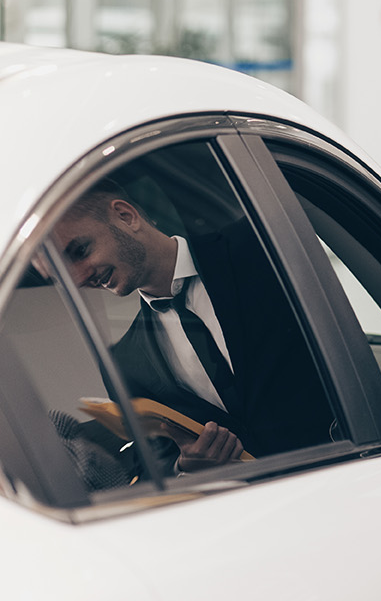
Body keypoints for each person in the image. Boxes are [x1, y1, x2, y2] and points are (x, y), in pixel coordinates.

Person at [49, 179, 336, 471]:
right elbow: (154, 463)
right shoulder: (123, 364)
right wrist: (185, 467)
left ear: (126, 216)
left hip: (346, 473)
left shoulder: (260, 246)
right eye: (60, 275)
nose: (78, 279)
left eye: (80, 251)